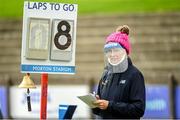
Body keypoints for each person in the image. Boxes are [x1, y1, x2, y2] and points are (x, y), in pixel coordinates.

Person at [92, 25, 145, 119]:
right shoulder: (106, 74)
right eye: (109, 51)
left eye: (116, 50)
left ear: (125, 51)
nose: (112, 54)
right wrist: (96, 104)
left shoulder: (135, 75)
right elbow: (100, 111)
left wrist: (110, 105)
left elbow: (138, 109)